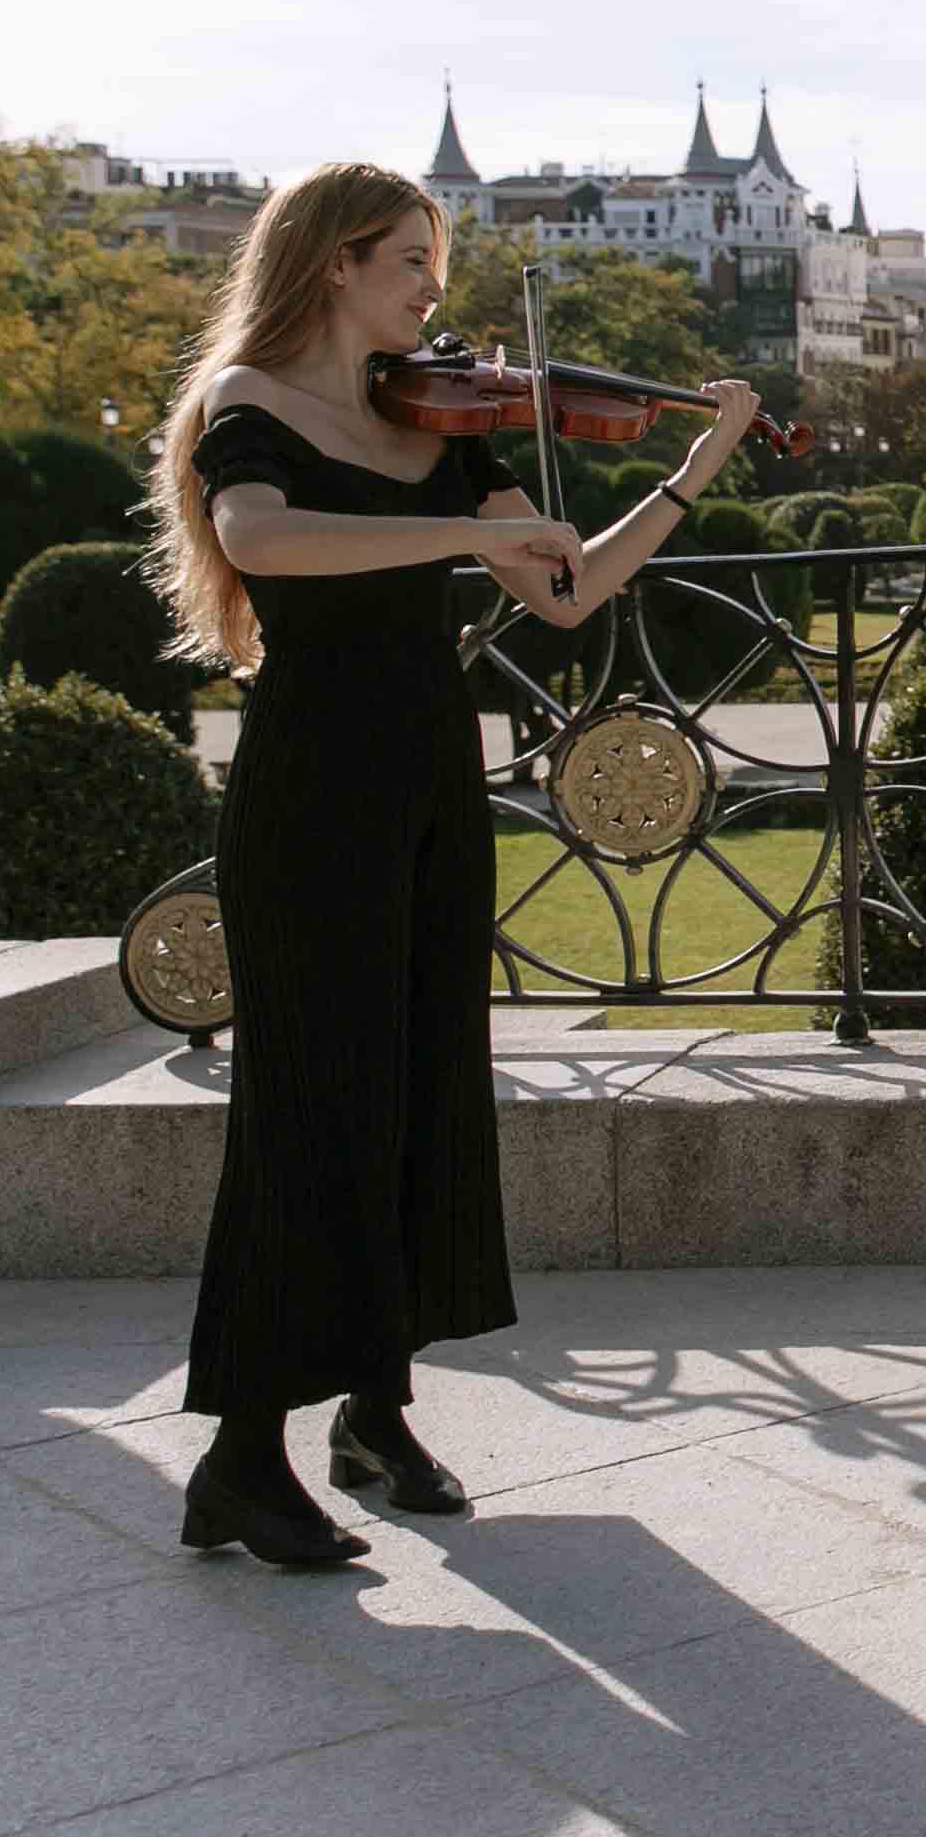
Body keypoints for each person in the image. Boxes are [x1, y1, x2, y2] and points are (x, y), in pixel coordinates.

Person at [142, 163, 761, 1567]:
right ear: (331, 261)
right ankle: (240, 1458)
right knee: (313, 1106)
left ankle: (375, 1410)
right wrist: (466, 528)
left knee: (420, 1089)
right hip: (311, 794)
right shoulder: (251, 404)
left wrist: (690, 469)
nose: (433, 287)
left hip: (432, 783)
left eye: (435, 260)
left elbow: (562, 591)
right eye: (407, 259)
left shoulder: (437, 415)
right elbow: (261, 541)